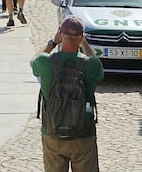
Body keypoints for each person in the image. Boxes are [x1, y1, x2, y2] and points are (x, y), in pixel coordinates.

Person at [30, 15, 104, 172]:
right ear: (81, 37)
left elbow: (33, 62)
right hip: (83, 133)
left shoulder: (45, 61)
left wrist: (53, 43)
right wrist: (84, 43)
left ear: (60, 34)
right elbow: (96, 64)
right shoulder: (91, 64)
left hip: (52, 132)